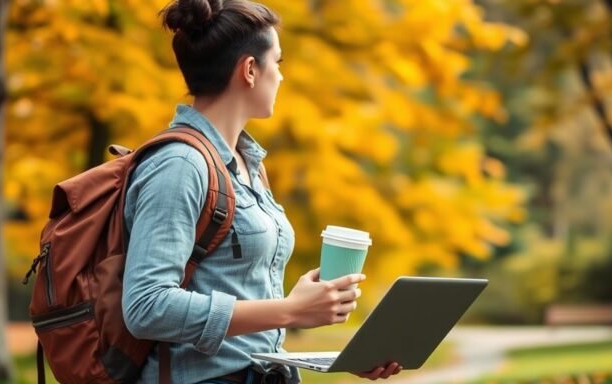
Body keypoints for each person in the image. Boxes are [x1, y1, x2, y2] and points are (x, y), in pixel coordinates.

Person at [121, 0, 402, 382]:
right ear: (250, 70)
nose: (281, 77)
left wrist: (317, 321)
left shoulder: (246, 165)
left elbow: (242, 296)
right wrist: (289, 310)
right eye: (278, 63)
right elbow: (146, 306)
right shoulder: (180, 166)